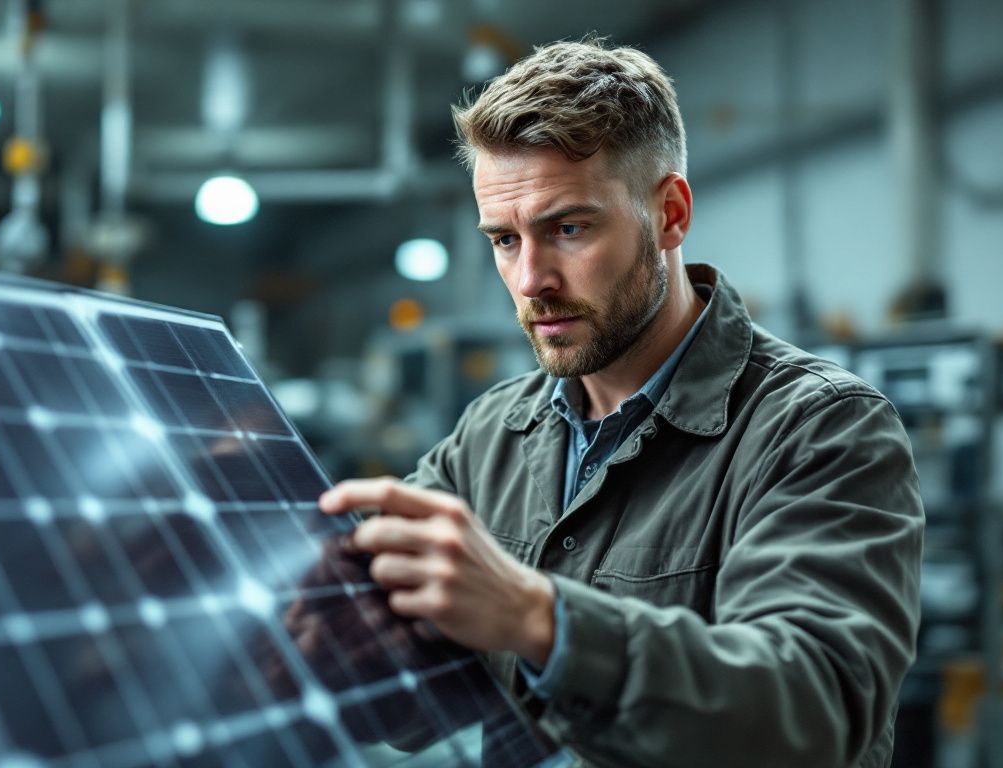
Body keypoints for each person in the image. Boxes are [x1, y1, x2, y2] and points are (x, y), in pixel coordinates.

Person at [317, 37, 924, 768]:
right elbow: (409, 705)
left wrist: (539, 618)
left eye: (568, 228)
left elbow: (813, 712)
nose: (530, 278)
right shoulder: (492, 434)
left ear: (669, 214)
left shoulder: (819, 427)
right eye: (504, 240)